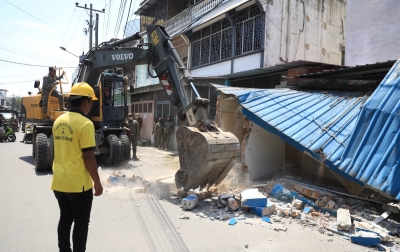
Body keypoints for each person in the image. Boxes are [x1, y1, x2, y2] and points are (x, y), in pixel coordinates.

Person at [51, 82, 103, 252]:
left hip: (59, 182)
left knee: (65, 217)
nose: (91, 106)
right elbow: (88, 158)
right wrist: (97, 183)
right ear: (86, 102)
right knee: (81, 221)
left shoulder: (58, 121)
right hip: (78, 185)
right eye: (91, 102)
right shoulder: (85, 124)